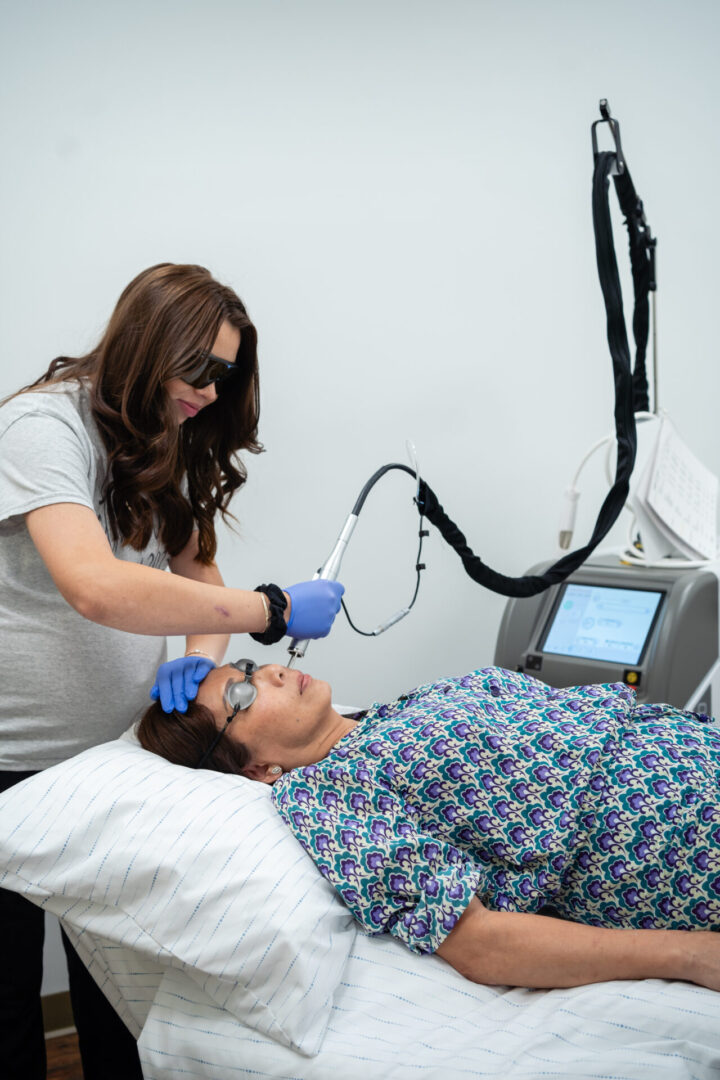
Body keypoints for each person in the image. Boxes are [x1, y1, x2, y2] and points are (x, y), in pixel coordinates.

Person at [0, 263, 343, 1080]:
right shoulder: (45, 430)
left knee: (119, 988)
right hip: (8, 762)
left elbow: (198, 582)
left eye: (225, 376)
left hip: (112, 762)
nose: (212, 393)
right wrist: (274, 611)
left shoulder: (164, 441)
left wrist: (199, 662)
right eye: (202, 370)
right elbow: (94, 586)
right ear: (149, 345)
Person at [137, 659, 720, 994]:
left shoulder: (396, 710)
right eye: (242, 691)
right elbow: (476, 942)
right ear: (258, 768)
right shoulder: (329, 799)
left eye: (243, 665)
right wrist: (690, 957)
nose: (267, 669)